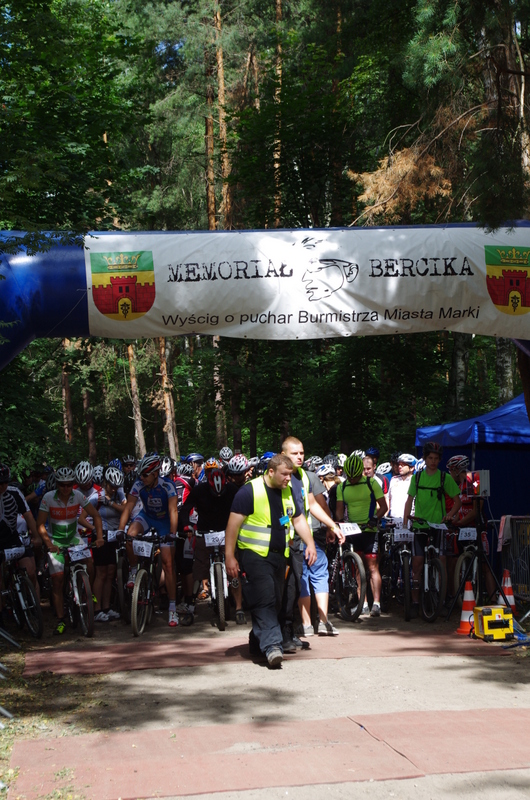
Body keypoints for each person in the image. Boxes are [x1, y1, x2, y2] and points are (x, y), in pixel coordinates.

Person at [225, 454, 317, 668]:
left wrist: (310, 544)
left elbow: (298, 519)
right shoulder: (249, 491)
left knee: (274, 602)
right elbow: (232, 526)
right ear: (271, 471)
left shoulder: (288, 491)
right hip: (253, 555)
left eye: (291, 475)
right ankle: (273, 646)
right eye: (284, 474)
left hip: (279, 555)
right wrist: (229, 556)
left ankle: (256, 641)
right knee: (265, 598)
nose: (288, 479)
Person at [280, 437, 344, 645]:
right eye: (295, 453)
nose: (300, 457)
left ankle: (303, 627)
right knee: (287, 588)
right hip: (282, 542)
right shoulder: (277, 477)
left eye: (302, 453)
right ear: (283, 455)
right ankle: (283, 633)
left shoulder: (304, 477)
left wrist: (332, 525)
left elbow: (313, 505)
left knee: (299, 583)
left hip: (302, 539)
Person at [37, 466, 104, 635]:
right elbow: (40, 525)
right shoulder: (48, 498)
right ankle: (61, 620)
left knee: (89, 562)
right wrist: (49, 544)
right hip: (55, 540)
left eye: (69, 484)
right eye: (62, 485)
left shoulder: (78, 496)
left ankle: (86, 590)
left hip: (74, 538)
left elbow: (96, 516)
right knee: (58, 580)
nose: (66, 488)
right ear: (57, 484)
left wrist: (99, 537)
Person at [119, 454, 180, 627]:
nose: (142, 478)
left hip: (164, 521)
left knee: (168, 565)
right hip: (147, 517)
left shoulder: (168, 486)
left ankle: (172, 608)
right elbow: (128, 508)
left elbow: (173, 511)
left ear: (155, 473)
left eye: (145, 475)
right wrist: (119, 530)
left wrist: (172, 533)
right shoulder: (139, 484)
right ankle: (133, 570)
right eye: (141, 475)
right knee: (130, 535)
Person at [180, 460, 243, 621]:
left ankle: (239, 608)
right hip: (204, 533)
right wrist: (187, 526)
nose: (218, 496)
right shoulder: (199, 490)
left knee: (234, 570)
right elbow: (185, 509)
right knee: (199, 569)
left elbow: (243, 508)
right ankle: (190, 607)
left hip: (227, 533)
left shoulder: (232, 490)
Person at [403, 442, 461, 617]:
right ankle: (415, 602)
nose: (433, 461)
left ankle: (441, 601)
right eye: (430, 458)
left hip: (438, 526)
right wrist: (405, 522)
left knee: (441, 563)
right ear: (425, 458)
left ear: (440, 460)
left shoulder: (445, 478)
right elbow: (409, 501)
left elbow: (457, 501)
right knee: (417, 564)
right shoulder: (417, 478)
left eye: (436, 458)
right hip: (419, 525)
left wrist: (449, 515)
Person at [335, 453, 388, 617]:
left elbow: (384, 507)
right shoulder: (342, 487)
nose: (352, 479)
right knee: (358, 568)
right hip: (353, 531)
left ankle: (376, 603)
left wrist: (375, 518)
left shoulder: (371, 483)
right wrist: (338, 522)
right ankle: (362, 603)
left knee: (372, 567)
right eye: (349, 476)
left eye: (355, 476)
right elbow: (339, 510)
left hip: (369, 530)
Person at [0, 463, 41, 614]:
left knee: (30, 571)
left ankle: (30, 599)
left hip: (12, 538)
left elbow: (28, 515)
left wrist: (36, 536)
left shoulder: (15, 493)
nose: (2, 486)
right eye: (0, 483)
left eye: (5, 482)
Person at [93, 466, 126, 622]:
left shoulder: (119, 494)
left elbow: (126, 509)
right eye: (111, 486)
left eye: (116, 486)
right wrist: (94, 529)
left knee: (111, 572)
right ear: (105, 483)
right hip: (102, 536)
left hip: (114, 537)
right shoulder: (96, 497)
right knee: (101, 573)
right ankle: (96, 609)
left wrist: (111, 503)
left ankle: (106, 607)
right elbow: (82, 516)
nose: (114, 489)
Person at [387, 453, 416, 520]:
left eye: (403, 465)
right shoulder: (394, 480)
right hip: (393, 519)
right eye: (399, 464)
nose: (399, 467)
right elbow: (388, 499)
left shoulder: (415, 481)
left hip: (409, 520)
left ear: (411, 468)